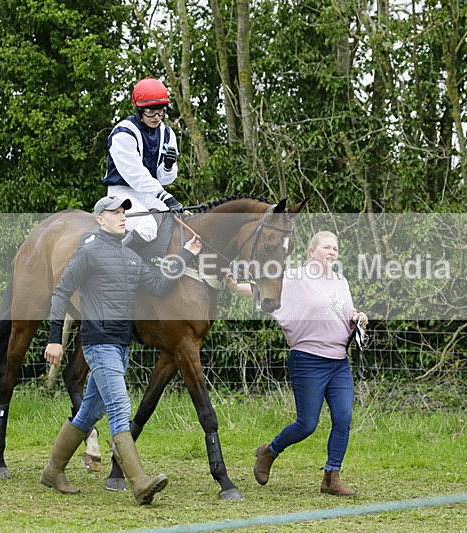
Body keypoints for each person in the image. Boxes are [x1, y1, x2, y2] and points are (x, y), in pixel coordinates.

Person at [40, 195, 202, 505]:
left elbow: (159, 286)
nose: (122, 216)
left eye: (123, 212)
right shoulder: (88, 252)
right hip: (99, 344)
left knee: (90, 411)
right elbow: (61, 292)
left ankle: (53, 471)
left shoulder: (130, 257)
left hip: (121, 346)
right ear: (100, 219)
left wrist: (185, 254)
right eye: (114, 212)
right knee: (119, 407)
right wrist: (54, 339)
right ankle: (140, 483)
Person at [226, 230, 368, 496]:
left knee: (343, 418)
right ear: (312, 252)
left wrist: (358, 316)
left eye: (335, 248)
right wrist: (236, 287)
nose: (332, 252)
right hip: (308, 360)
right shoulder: (296, 277)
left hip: (339, 362)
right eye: (326, 247)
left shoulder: (340, 281)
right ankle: (269, 451)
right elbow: (263, 288)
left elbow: (346, 310)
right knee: (306, 425)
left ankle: (331, 478)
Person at [102, 77, 182, 250]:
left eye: (160, 111)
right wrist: (166, 197)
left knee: (177, 220)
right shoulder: (123, 133)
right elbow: (136, 176)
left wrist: (168, 167)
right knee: (147, 227)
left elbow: (165, 179)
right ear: (138, 110)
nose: (157, 117)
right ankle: (115, 260)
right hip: (122, 192)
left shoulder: (168, 133)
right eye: (150, 112)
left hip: (149, 194)